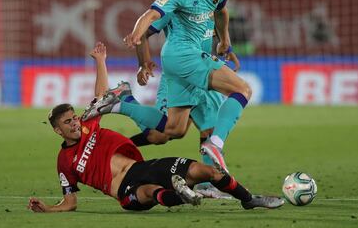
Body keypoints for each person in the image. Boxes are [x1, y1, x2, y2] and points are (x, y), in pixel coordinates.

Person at [27, 46, 285, 212]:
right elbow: (70, 201)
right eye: (67, 123)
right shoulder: (64, 162)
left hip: (142, 167)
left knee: (208, 171)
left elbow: (100, 97)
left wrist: (101, 61)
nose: (74, 123)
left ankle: (248, 199)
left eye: (73, 118)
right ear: (58, 131)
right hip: (124, 191)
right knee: (151, 191)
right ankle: (180, 193)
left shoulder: (86, 127)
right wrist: (48, 208)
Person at [123, 0, 250, 172]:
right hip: (183, 59)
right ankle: (215, 147)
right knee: (241, 90)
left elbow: (221, 11)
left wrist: (225, 42)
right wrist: (137, 39)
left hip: (198, 60)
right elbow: (150, 17)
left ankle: (121, 104)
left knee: (175, 129)